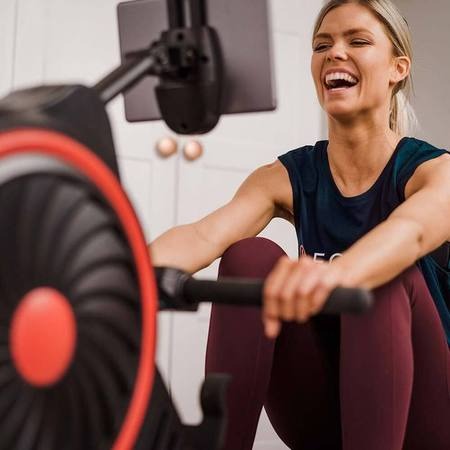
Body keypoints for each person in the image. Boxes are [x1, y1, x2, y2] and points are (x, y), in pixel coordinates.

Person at [150, 1, 450, 449]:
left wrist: (335, 276)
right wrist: (112, 276)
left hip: (423, 417)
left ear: (397, 68)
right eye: (322, 44)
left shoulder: (434, 172)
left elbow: (412, 231)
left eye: (358, 41)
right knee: (248, 256)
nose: (335, 53)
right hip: (324, 409)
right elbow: (202, 235)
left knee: (385, 279)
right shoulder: (288, 177)